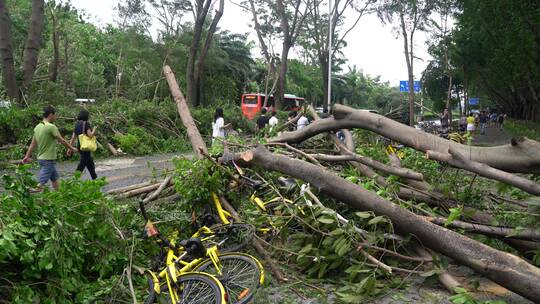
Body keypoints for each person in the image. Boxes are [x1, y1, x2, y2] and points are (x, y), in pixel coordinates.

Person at [22, 106, 78, 190]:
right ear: (51, 115)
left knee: (54, 178)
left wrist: (27, 156)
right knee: (43, 179)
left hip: (41, 158)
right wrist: (72, 148)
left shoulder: (37, 127)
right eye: (55, 115)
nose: (55, 117)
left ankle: (59, 194)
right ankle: (36, 189)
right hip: (48, 158)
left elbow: (32, 144)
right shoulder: (51, 127)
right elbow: (62, 140)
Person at [68, 109, 98, 179]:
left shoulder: (77, 124)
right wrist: (94, 129)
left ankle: (95, 178)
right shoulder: (86, 124)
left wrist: (69, 148)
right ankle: (74, 179)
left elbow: (73, 138)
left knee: (90, 163)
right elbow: (90, 135)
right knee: (82, 164)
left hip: (80, 147)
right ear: (86, 116)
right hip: (86, 147)